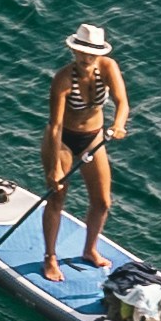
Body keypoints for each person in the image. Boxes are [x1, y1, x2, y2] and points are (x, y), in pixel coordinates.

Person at [40, 26, 129, 280]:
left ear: (99, 52)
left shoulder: (109, 67)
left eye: (91, 53)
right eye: (81, 51)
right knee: (57, 198)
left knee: (102, 201)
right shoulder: (63, 79)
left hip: (93, 137)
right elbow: (56, 126)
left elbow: (122, 102)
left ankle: (90, 249)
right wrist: (55, 167)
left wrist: (119, 123)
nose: (85, 57)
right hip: (63, 141)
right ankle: (50, 258)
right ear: (73, 49)